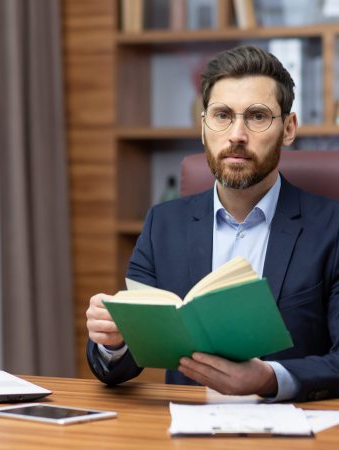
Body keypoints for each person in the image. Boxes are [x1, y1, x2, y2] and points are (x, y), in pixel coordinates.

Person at [86, 45, 339, 402]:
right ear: (203, 126)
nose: (237, 134)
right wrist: (113, 342)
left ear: (288, 128)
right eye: (222, 115)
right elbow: (120, 368)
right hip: (185, 427)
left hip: (294, 428)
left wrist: (269, 378)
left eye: (257, 116)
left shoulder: (332, 228)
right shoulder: (163, 224)